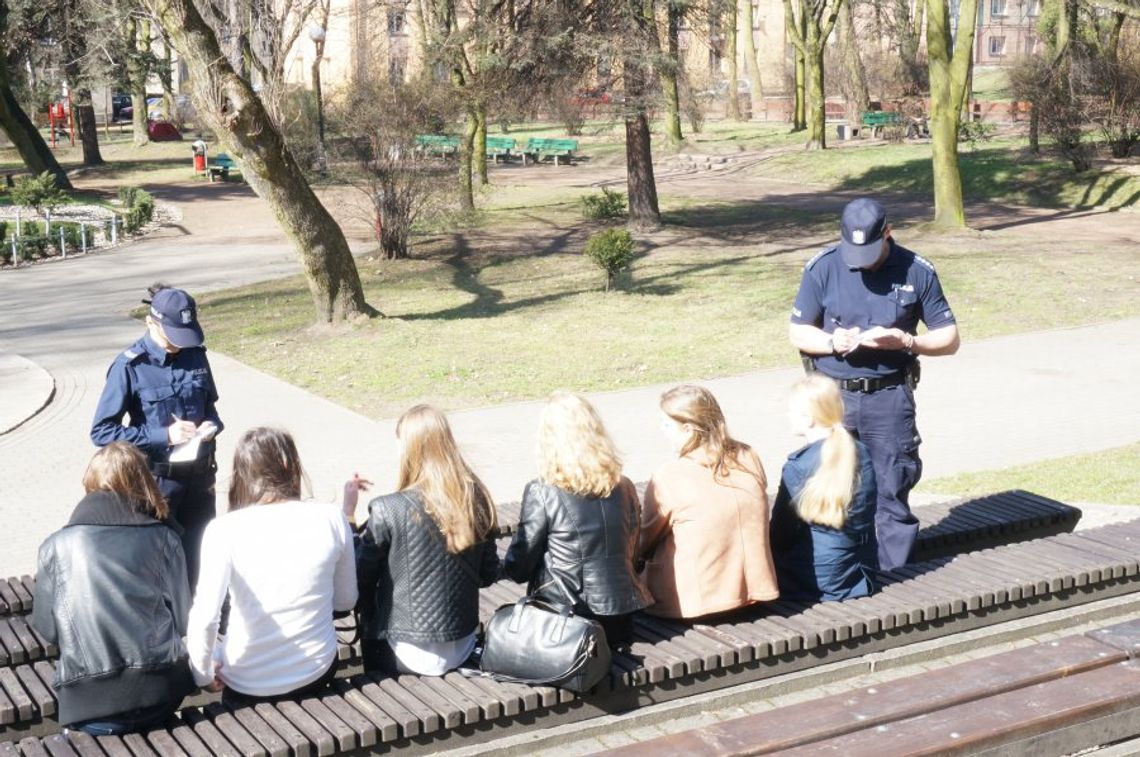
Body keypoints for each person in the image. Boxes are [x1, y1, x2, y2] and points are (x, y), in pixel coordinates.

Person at [788, 198, 959, 570]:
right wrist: (833, 342)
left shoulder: (917, 270)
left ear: (888, 233)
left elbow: (950, 338)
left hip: (889, 396)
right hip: (834, 397)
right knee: (828, 488)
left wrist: (908, 342)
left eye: (868, 250)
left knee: (891, 490)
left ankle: (893, 582)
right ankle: (829, 575)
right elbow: (798, 331)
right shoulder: (823, 267)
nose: (860, 260)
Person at [31, 443, 195, 735]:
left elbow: (48, 629)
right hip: (162, 696)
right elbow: (184, 621)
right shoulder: (165, 538)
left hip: (88, 708)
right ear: (144, 482)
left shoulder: (55, 546)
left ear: (90, 483)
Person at [185, 428, 357, 706]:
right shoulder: (331, 517)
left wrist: (202, 674)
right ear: (290, 466)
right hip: (316, 670)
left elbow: (205, 617)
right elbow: (346, 599)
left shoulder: (223, 530)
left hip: (247, 681)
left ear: (242, 473)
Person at [351, 405, 500, 676]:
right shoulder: (475, 498)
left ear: (408, 448)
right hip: (461, 644)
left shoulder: (388, 508)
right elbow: (488, 574)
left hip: (402, 652)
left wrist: (349, 517)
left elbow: (360, 581)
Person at [90, 283, 223, 586]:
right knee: (159, 567)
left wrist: (211, 427)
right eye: (173, 337)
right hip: (158, 484)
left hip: (200, 480)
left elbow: (211, 409)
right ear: (151, 322)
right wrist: (164, 435)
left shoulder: (196, 356)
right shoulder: (130, 366)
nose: (180, 344)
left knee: (203, 562)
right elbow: (101, 431)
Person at [503, 392, 652, 645]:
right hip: (620, 617)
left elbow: (520, 567)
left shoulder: (543, 491)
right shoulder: (624, 486)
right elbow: (632, 550)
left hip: (566, 620)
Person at [639, 385, 779, 619]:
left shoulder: (670, 475)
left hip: (693, 603)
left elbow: (644, 542)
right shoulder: (748, 456)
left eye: (665, 424)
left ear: (687, 429)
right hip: (756, 591)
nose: (661, 430)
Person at [770, 375, 878, 602]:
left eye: (790, 411)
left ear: (808, 418)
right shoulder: (861, 452)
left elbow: (780, 535)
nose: (787, 417)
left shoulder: (798, 466)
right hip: (860, 572)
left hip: (816, 579)